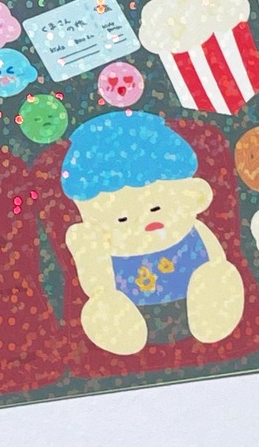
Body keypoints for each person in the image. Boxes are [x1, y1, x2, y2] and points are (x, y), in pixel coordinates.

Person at [61, 111, 245, 355]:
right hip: (132, 308)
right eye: (122, 218)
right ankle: (116, 326)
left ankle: (214, 313)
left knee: (217, 274)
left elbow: (216, 258)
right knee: (104, 304)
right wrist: (89, 255)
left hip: (197, 297)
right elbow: (98, 283)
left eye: (156, 208)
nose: (144, 221)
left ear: (194, 195)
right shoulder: (104, 245)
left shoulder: (192, 231)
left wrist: (216, 272)